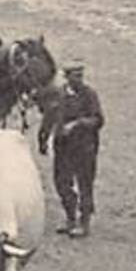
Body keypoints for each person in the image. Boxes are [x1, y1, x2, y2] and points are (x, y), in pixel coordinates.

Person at [38, 59, 104, 238]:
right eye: (75, 76)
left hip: (85, 147)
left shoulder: (89, 95)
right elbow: (49, 118)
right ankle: (70, 218)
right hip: (63, 148)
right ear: (67, 77)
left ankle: (84, 223)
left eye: (81, 75)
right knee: (62, 182)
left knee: (85, 184)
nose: (79, 79)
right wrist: (43, 139)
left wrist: (77, 124)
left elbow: (98, 120)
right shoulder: (58, 95)